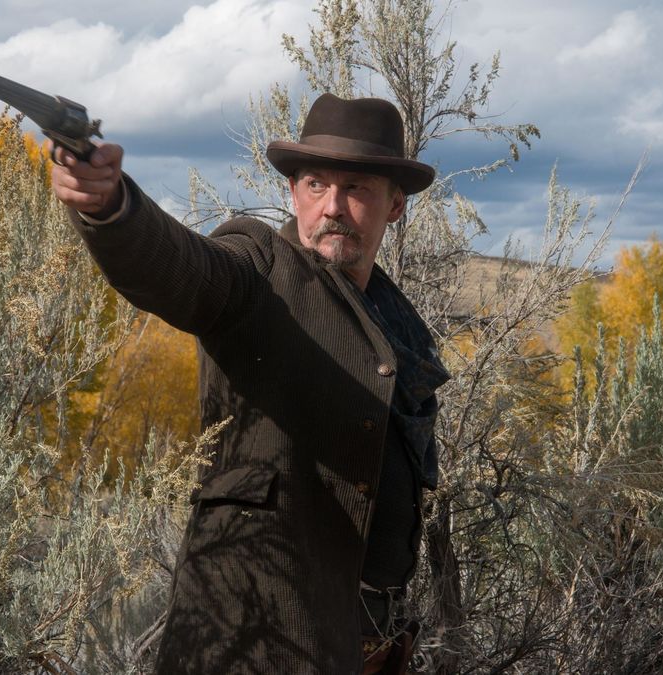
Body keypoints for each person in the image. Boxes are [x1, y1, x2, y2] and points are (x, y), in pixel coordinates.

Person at [51, 93, 449, 675]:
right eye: (316, 185)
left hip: (365, 647)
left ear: (395, 206)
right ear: (293, 193)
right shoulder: (258, 267)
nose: (332, 207)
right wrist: (111, 207)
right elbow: (181, 266)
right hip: (257, 645)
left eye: (357, 188)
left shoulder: (400, 329)